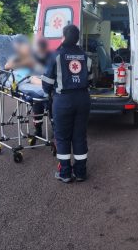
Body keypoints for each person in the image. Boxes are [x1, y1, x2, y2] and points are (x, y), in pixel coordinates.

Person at [42, 25, 93, 183]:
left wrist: (49, 94)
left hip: (63, 100)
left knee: (62, 137)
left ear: (64, 36)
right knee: (79, 136)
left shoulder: (56, 55)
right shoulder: (86, 57)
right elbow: (90, 80)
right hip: (83, 99)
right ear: (77, 38)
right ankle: (80, 172)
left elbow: (47, 83)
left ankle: (65, 173)